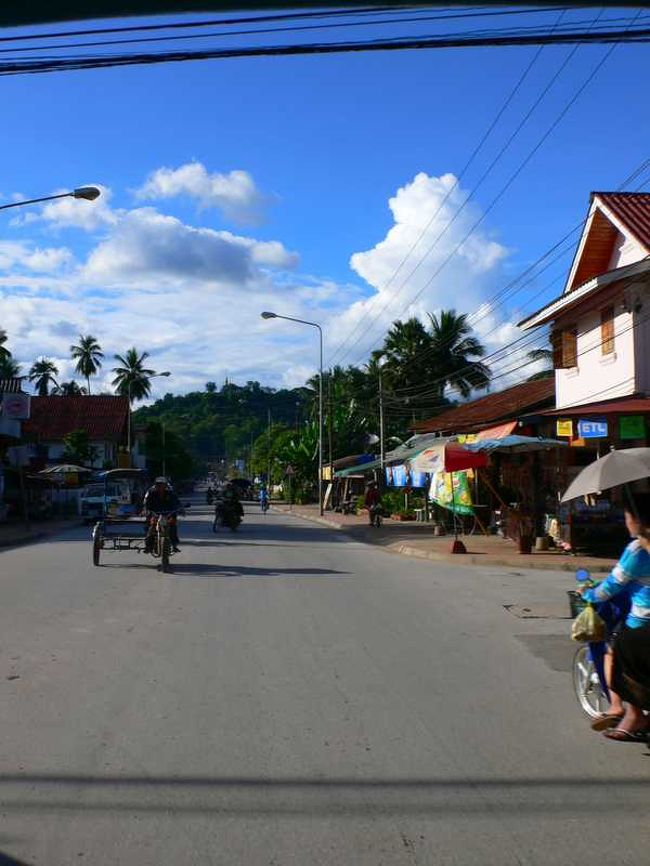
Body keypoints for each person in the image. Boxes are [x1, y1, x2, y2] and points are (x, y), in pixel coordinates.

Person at [580, 493, 650, 741]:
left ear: (638, 521)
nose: (625, 521)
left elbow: (611, 586)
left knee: (614, 652)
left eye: (628, 517)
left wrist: (588, 594)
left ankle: (627, 712)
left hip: (643, 625)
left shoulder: (637, 550)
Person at [143, 476, 182, 552]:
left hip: (168, 514)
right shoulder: (151, 493)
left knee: (173, 527)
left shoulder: (170, 493)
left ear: (165, 485)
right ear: (155, 485)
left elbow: (176, 503)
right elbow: (146, 504)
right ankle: (148, 546)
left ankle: (174, 545)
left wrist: (179, 509)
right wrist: (146, 510)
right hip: (155, 514)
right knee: (151, 527)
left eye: (162, 484)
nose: (160, 486)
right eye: (158, 484)